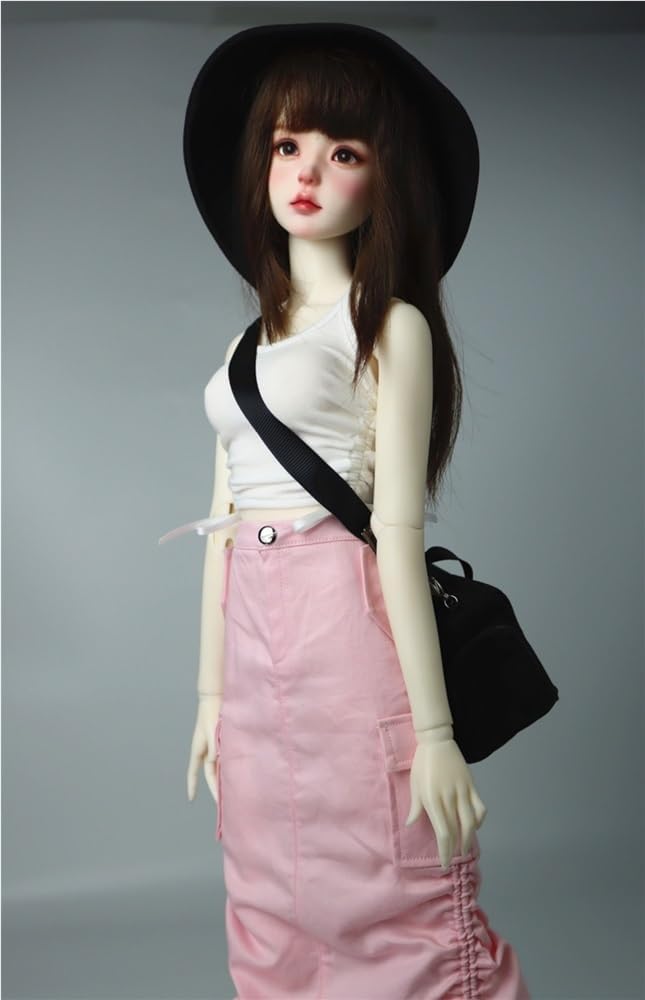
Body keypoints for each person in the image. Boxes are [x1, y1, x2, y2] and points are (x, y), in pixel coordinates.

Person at [160, 23, 531, 999]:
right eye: (288, 144)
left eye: (344, 151)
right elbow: (218, 533)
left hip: (345, 622)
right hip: (252, 645)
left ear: (383, 179)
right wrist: (209, 700)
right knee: (269, 888)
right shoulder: (243, 349)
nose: (307, 171)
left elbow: (397, 537)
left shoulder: (388, 326)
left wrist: (436, 735)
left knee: (390, 887)